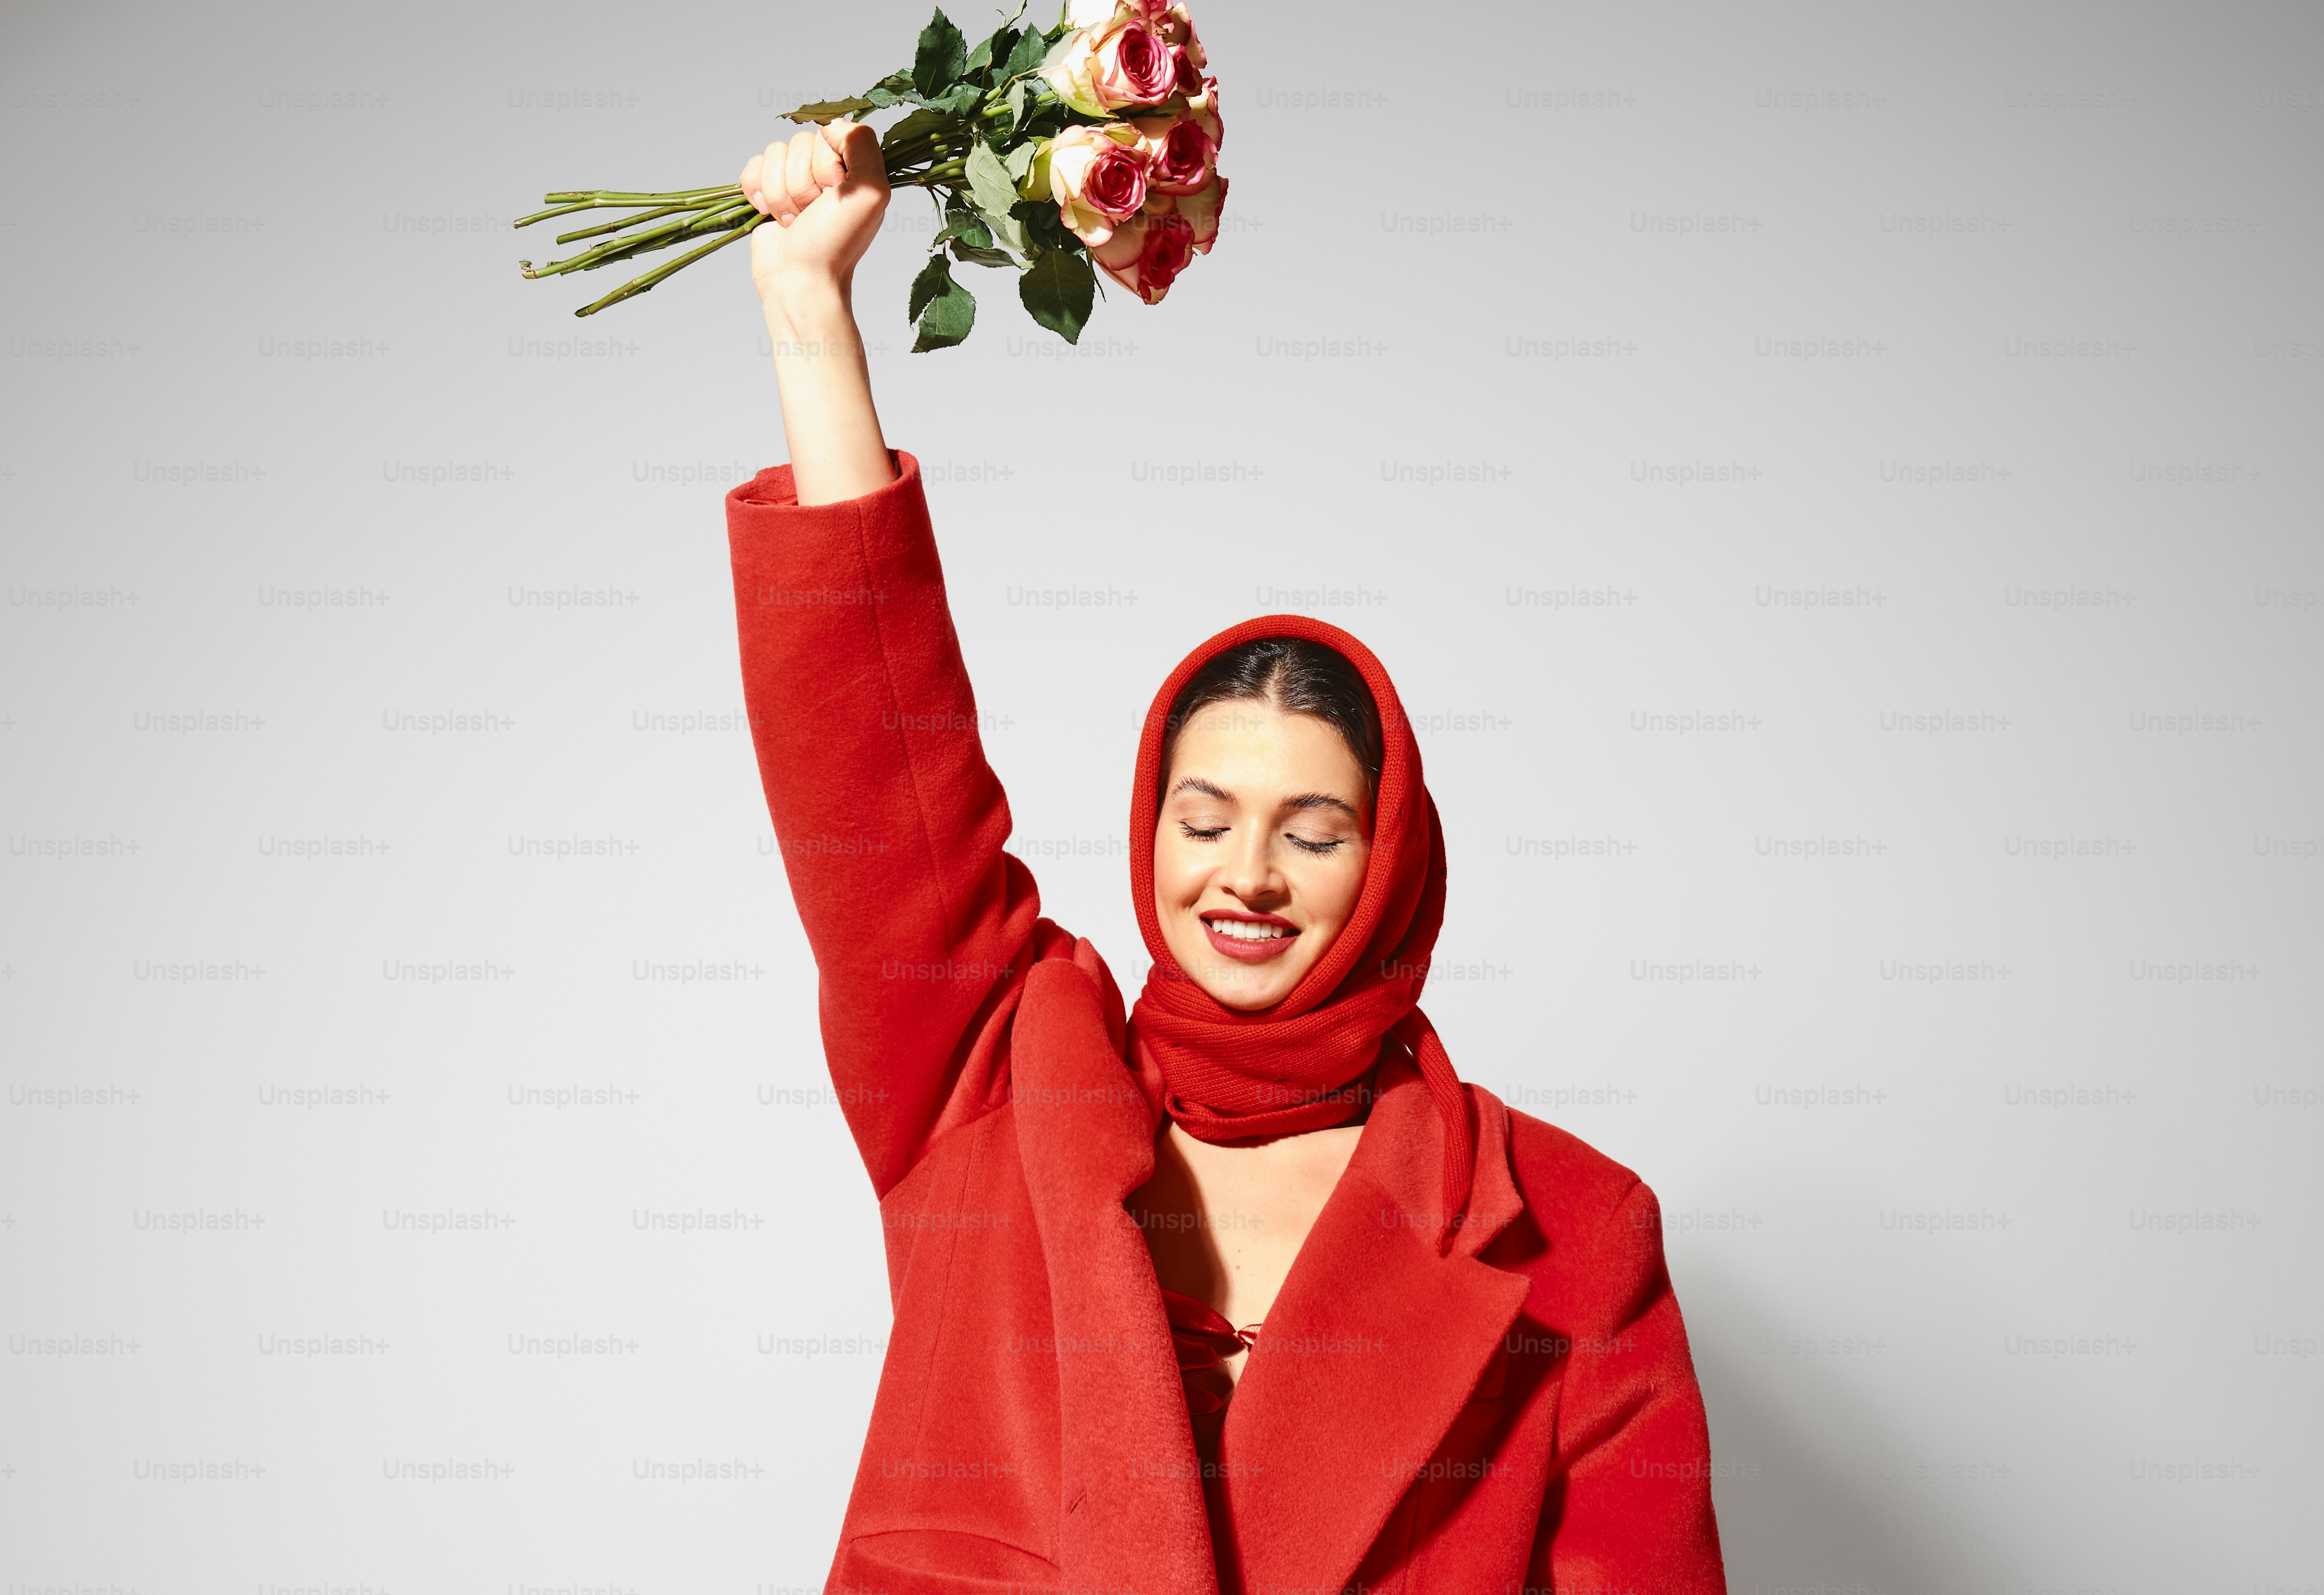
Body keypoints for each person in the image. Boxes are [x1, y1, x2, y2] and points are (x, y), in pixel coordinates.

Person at [720, 117, 1727, 1595]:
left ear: (1392, 867)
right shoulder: (998, 1084)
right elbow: (876, 777)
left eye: (1313, 834)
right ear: (1150, 838)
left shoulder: (1573, 1233)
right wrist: (810, 314)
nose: (1245, 876)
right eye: (1203, 823)